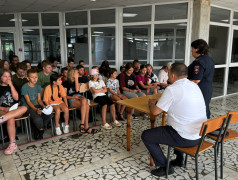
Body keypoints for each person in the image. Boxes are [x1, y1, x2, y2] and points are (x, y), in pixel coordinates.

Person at [141, 63, 207, 177]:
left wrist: (151, 103)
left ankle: (165, 166)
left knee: (146, 135)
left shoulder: (172, 89)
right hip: (200, 135)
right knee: (177, 125)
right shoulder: (194, 85)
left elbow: (155, 112)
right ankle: (179, 159)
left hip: (185, 138)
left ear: (172, 76)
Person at [0, 69, 27, 154]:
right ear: (1, 77)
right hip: (3, 110)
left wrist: (11, 85)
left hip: (14, 109)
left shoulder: (14, 85)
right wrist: (4, 109)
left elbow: (16, 98)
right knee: (10, 119)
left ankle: (2, 119)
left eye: (9, 76)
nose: (8, 78)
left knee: (24, 108)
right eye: (5, 76)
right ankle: (12, 144)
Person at [63, 68, 98, 134]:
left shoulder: (77, 81)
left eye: (77, 73)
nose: (77, 74)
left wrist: (76, 79)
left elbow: (77, 90)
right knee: (87, 106)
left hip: (80, 97)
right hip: (72, 98)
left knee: (84, 100)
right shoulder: (66, 83)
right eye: (76, 73)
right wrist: (72, 97)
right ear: (72, 73)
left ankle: (82, 124)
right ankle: (86, 127)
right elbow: (64, 96)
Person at [21, 69, 53, 140]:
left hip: (37, 105)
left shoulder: (38, 86)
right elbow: (28, 101)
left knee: (50, 114)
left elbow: (39, 99)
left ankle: (38, 128)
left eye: (36, 77)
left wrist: (43, 106)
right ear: (28, 78)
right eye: (32, 77)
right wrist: (36, 109)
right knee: (38, 118)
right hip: (28, 106)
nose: (34, 79)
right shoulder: (24, 87)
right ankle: (41, 130)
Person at [188, 39, 214, 119]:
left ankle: (202, 129)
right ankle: (205, 127)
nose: (191, 51)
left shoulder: (199, 62)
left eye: (192, 49)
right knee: (204, 107)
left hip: (199, 89)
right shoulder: (209, 59)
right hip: (207, 88)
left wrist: (183, 84)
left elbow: (196, 80)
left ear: (197, 49)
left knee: (199, 109)